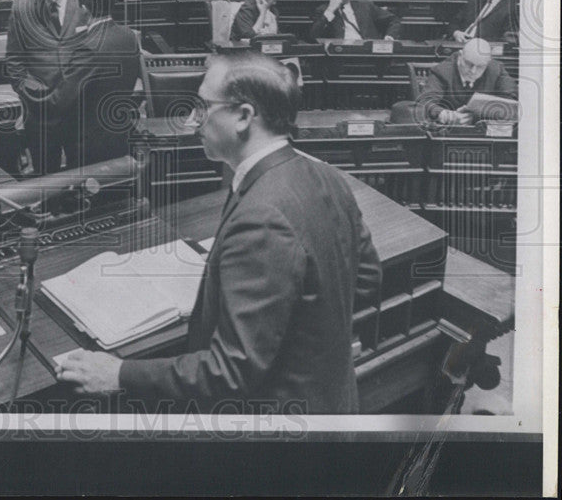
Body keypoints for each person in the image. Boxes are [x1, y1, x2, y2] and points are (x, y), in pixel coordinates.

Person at [56, 51, 382, 413]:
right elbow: (367, 280)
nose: (193, 120)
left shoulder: (262, 217)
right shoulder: (325, 174)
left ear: (243, 116)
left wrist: (119, 373)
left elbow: (229, 371)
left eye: (203, 106)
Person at [43, 0, 141, 166]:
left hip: (88, 142)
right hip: (121, 130)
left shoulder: (89, 48)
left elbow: (62, 99)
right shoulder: (128, 35)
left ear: (85, 9)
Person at [5, 0, 87, 175]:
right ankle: (50, 206)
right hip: (40, 104)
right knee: (45, 171)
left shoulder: (84, 0)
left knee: (82, 168)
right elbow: (14, 57)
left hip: (79, 102)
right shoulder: (22, 7)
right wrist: (25, 90)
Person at [391, 38, 518, 125]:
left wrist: (477, 116)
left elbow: (512, 99)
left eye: (480, 67)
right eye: (469, 64)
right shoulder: (442, 71)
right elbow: (426, 101)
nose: (473, 71)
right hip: (449, 131)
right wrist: (445, 115)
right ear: (460, 55)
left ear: (488, 61)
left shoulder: (496, 68)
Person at [310, 0, 400, 41]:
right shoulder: (323, 10)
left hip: (366, 51)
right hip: (339, 54)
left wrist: (390, 36)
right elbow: (313, 36)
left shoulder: (366, 6)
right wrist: (330, 10)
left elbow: (393, 20)